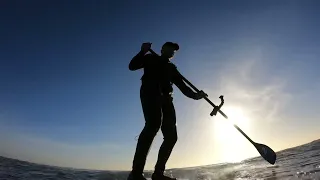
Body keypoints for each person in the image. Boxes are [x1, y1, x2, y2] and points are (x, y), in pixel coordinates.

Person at [128, 42, 207, 180]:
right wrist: (142, 52)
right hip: (150, 94)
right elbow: (132, 66)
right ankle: (136, 173)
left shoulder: (172, 68)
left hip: (167, 100)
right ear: (163, 49)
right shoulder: (150, 58)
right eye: (170, 48)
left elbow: (183, 87)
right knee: (153, 125)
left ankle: (158, 174)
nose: (172, 52)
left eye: (174, 51)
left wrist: (196, 95)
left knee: (171, 136)